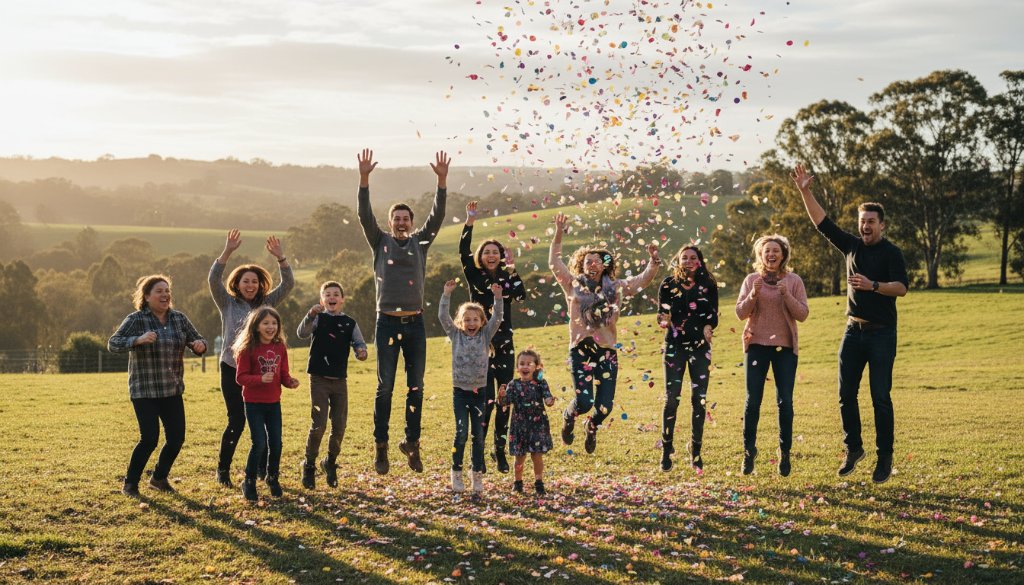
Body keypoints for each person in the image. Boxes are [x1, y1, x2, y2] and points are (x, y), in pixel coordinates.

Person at [792, 164, 909, 484]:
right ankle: (853, 448)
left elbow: (901, 288)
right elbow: (821, 223)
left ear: (881, 224)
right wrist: (805, 191)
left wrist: (873, 285)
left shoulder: (891, 253)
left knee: (880, 396)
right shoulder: (852, 246)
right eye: (862, 222)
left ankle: (885, 457)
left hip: (882, 333)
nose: (865, 226)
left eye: (871, 221)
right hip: (852, 331)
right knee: (845, 394)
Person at [357, 148, 450, 475]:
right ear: (390, 223)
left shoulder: (420, 243)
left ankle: (412, 443)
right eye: (396, 219)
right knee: (385, 387)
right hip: (386, 325)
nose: (400, 223)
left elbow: (436, 218)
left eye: (405, 219)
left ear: (411, 224)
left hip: (415, 325)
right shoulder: (379, 241)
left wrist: (441, 183)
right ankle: (380, 446)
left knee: (416, 386)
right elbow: (363, 215)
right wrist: (364, 180)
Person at [549, 212, 661, 454]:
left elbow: (640, 281)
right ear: (582, 264)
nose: (593, 263)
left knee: (603, 408)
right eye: (588, 260)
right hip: (581, 348)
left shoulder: (617, 287)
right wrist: (559, 232)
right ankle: (569, 416)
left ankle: (592, 426)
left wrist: (652, 262)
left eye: (598, 260)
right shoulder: (572, 284)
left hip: (607, 351)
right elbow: (554, 262)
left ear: (605, 265)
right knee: (585, 402)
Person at [209, 229, 294, 487]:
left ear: (260, 285)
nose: (250, 285)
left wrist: (281, 259)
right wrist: (227, 251)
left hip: (262, 373)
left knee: (265, 420)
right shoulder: (227, 302)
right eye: (245, 281)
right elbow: (213, 279)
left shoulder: (266, 304)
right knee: (237, 419)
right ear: (237, 283)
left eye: (254, 282)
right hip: (232, 368)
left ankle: (260, 470)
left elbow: (288, 284)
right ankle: (223, 470)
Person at [108, 275, 207, 496]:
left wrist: (200, 345)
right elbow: (113, 343)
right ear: (146, 296)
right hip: (145, 390)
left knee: (176, 439)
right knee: (149, 438)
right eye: (159, 291)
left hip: (171, 389)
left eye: (167, 290)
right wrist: (137, 340)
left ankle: (159, 478)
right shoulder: (136, 319)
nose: (165, 295)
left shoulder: (179, 319)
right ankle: (130, 484)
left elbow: (198, 340)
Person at [460, 201, 527, 474]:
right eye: (486, 252)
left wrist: (511, 268)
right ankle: (478, 452)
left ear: (501, 256)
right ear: (480, 256)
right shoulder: (474, 276)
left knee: (504, 399)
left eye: (495, 252)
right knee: (484, 402)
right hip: (480, 345)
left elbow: (521, 295)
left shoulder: (506, 276)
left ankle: (499, 451)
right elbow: (462, 251)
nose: (490, 255)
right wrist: (470, 221)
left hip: (505, 343)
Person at [735, 235, 809, 477]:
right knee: (752, 401)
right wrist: (753, 295)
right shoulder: (751, 280)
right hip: (756, 345)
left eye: (776, 250)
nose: (771, 254)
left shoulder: (793, 280)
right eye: (767, 251)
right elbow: (740, 313)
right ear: (761, 255)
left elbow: (802, 314)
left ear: (783, 254)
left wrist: (786, 294)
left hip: (785, 349)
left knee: (784, 402)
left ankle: (784, 452)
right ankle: (749, 452)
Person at [295, 281, 368, 489]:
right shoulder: (318, 319)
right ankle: (309, 464)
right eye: (327, 294)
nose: (332, 297)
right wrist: (310, 315)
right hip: (318, 378)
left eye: (336, 294)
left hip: (339, 381)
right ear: (322, 300)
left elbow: (359, 343)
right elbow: (302, 333)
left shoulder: (350, 323)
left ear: (342, 299)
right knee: (319, 424)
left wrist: (361, 352)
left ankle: (330, 461)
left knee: (339, 425)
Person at [438, 279, 505, 496]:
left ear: (481, 321)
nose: (471, 323)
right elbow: (442, 317)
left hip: (480, 394)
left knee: (478, 434)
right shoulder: (456, 335)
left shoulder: (486, 335)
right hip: (460, 393)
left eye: (475, 319)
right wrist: (447, 294)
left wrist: (498, 298)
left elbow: (498, 318)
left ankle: (477, 476)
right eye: (467, 319)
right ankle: (456, 472)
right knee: (461, 433)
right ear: (461, 322)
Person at [657, 246, 719, 473]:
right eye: (684, 257)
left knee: (699, 400)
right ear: (678, 260)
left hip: (700, 348)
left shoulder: (709, 284)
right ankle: (666, 449)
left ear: (700, 261)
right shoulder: (667, 283)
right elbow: (661, 313)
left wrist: (708, 326)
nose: (689, 261)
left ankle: (696, 450)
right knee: (671, 399)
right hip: (674, 347)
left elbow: (713, 314)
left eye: (693, 258)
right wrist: (663, 319)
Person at [233, 306, 301, 501]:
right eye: (266, 323)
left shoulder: (280, 347)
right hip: (253, 403)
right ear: (256, 326)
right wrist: (260, 379)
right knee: (259, 443)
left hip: (274, 403)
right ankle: (249, 481)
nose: (271, 327)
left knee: (276, 443)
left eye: (274, 323)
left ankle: (272, 478)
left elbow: (283, 374)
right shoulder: (247, 349)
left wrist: (290, 382)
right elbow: (241, 377)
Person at [497, 349, 554, 495]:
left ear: (537, 367)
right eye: (521, 364)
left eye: (529, 364)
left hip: (537, 425)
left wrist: (550, 400)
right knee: (519, 458)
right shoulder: (513, 384)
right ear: (517, 368)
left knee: (537, 456)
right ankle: (518, 482)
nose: (525, 367)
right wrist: (502, 396)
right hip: (519, 425)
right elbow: (505, 403)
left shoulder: (541, 383)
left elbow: (548, 400)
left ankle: (539, 481)